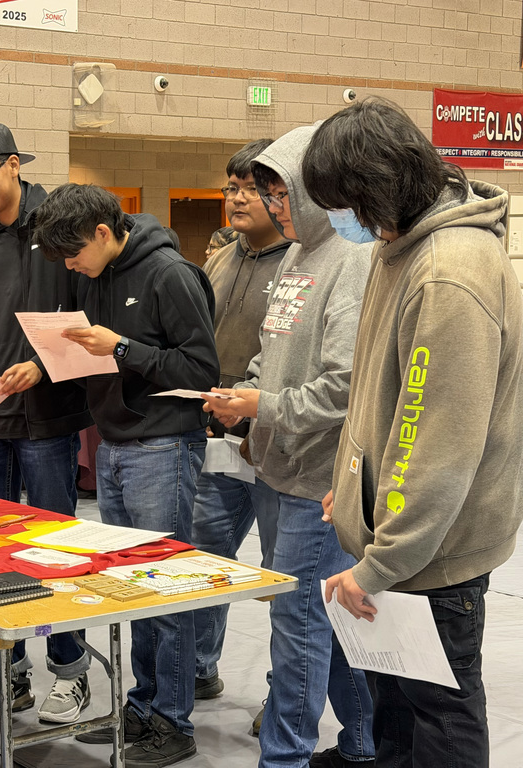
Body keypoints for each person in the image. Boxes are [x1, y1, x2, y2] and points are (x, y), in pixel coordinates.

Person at [305, 97, 523, 768]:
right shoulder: (402, 243)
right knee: (397, 709)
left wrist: (380, 563)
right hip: (402, 539)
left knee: (440, 716)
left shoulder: (448, 272)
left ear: (376, 189)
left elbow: (437, 449)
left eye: (343, 203)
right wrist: (351, 486)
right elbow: (383, 392)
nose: (340, 220)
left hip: (433, 552)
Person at [201, 125, 375, 768]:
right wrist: (241, 400)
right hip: (275, 468)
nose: (272, 207)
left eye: (279, 193)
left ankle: (286, 757)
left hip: (318, 480)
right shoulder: (298, 258)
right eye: (264, 193)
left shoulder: (351, 263)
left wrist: (261, 406)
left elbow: (345, 388)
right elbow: (272, 361)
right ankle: (361, 745)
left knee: (298, 627)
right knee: (317, 620)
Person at [33, 183, 219, 767]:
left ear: (105, 234)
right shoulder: (96, 275)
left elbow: (200, 367)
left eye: (73, 254)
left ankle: (174, 720)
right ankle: (143, 704)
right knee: (131, 589)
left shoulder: (170, 274)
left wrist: (121, 349)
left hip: (163, 444)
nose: (70, 267)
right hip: (114, 444)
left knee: (166, 588)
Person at [0, 123, 93, 725]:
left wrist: (40, 364)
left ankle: (70, 673)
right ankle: (9, 674)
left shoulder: (55, 221)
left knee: (49, 548)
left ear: (13, 165)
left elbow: (86, 317)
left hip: (46, 417)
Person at [190, 139, 291, 705]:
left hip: (278, 440)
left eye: (250, 188)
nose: (236, 198)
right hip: (218, 435)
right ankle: (200, 666)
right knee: (207, 557)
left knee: (283, 575)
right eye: (230, 187)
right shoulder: (222, 259)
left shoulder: (301, 263)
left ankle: (283, 695)